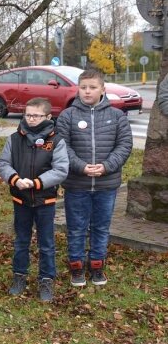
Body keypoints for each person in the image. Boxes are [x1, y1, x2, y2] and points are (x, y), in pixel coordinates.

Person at [56, 68, 132, 287]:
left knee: (101, 226)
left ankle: (97, 265)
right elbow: (62, 146)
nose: (87, 92)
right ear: (78, 89)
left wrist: (107, 166)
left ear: (103, 89)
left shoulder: (117, 116)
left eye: (92, 87)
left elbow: (125, 145)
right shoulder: (67, 116)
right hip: (76, 184)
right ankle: (77, 266)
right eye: (83, 87)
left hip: (106, 184)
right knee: (76, 227)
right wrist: (81, 167)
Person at [0, 98, 69, 302]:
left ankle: (46, 279)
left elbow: (61, 170)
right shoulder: (15, 138)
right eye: (28, 115)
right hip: (21, 199)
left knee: (46, 243)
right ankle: (19, 276)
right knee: (21, 241)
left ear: (47, 117)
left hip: (45, 201)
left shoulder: (56, 141)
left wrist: (38, 183)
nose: (31, 119)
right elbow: (3, 163)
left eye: (36, 115)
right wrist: (15, 180)